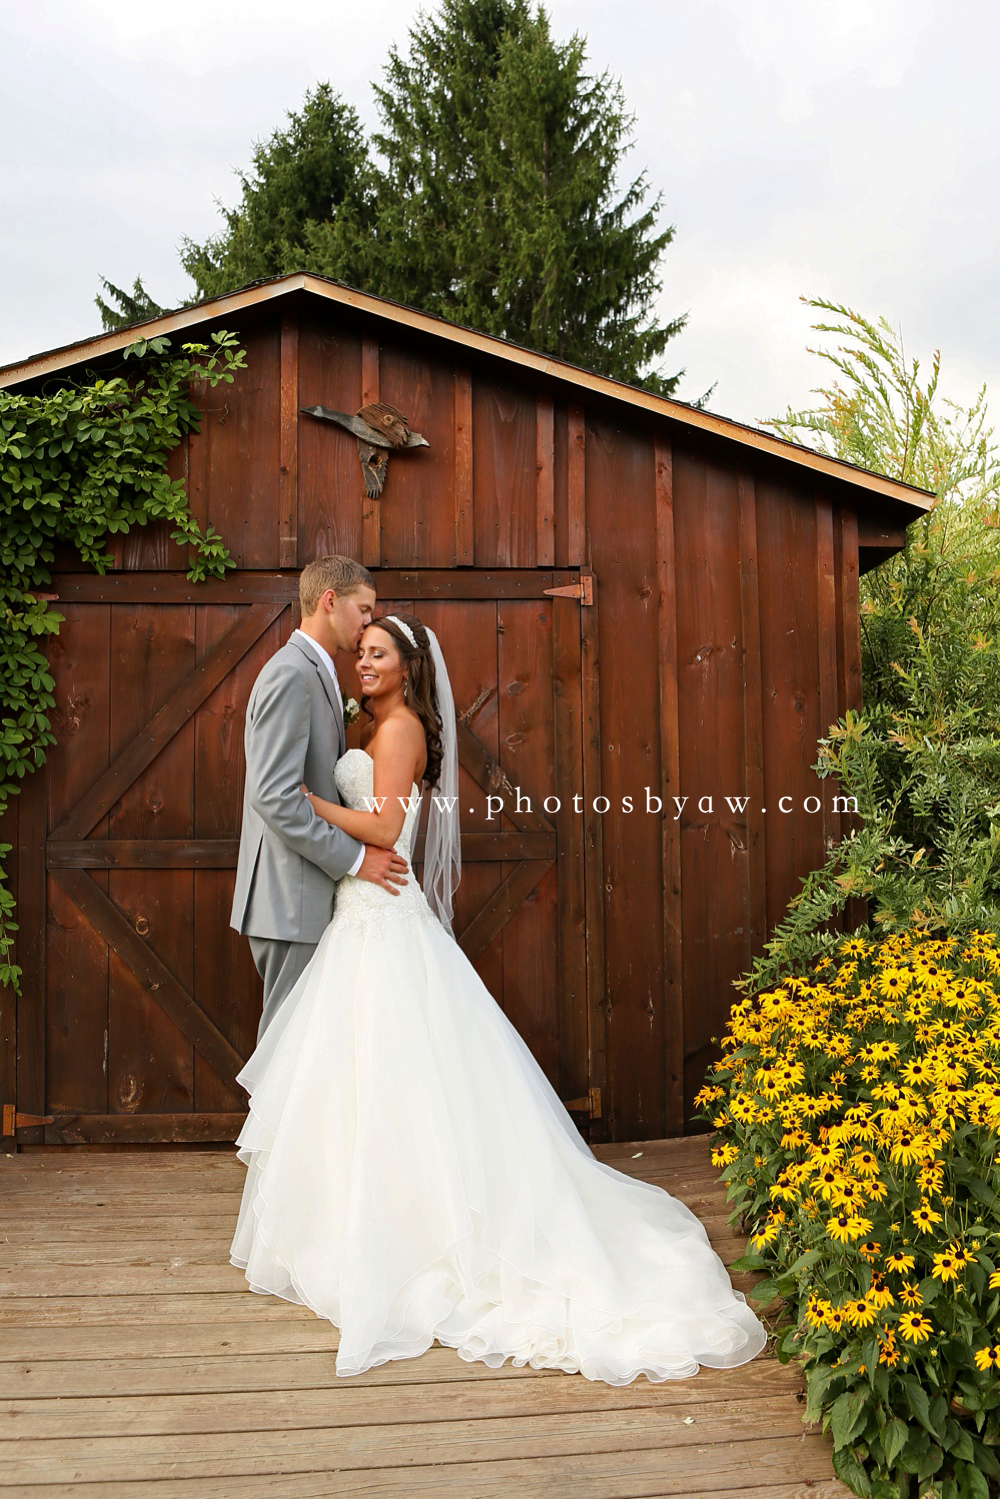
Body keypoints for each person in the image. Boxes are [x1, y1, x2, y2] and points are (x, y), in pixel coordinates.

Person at [230, 611, 767, 1384]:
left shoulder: (402, 729)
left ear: (409, 668)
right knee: (362, 1084)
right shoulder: (371, 721)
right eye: (362, 652)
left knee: (399, 1077)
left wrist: (312, 806)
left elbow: (385, 824)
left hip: (382, 917)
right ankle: (356, 1224)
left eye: (379, 653)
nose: (364, 662)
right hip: (360, 921)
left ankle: (420, 1237)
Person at [230, 556, 409, 1041]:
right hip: (290, 898)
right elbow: (276, 796)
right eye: (365, 610)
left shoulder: (320, 670)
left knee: (308, 1052)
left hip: (306, 894)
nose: (369, 623)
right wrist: (355, 860)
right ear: (330, 601)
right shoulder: (291, 672)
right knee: (285, 1050)